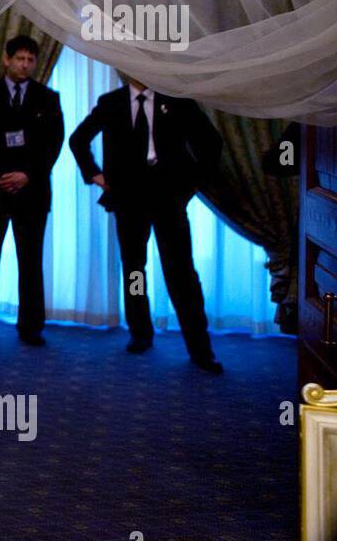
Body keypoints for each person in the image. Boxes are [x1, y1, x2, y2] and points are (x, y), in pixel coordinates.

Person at [68, 77, 224, 372]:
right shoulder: (111, 102)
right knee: (134, 270)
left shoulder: (177, 99)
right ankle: (140, 332)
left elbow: (211, 143)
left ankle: (200, 348)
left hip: (168, 198)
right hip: (128, 200)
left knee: (181, 273)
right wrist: (95, 175)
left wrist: (190, 185)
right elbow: (78, 140)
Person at [0, 35, 64, 345]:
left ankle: (31, 326)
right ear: (6, 60)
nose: (25, 65)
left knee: (31, 261)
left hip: (32, 193)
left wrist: (27, 175)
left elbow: (53, 145)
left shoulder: (48, 98)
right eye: (20, 59)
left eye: (30, 60)